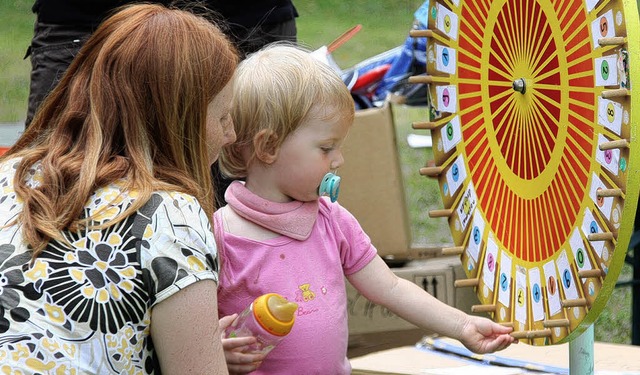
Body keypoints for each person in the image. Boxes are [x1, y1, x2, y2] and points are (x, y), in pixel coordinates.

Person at [214, 44, 517, 375]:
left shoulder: (332, 220)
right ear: (268, 146)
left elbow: (390, 288)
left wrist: (461, 326)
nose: (339, 160)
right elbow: (189, 334)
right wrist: (215, 353)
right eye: (326, 148)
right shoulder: (220, 238)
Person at [0, 3, 238, 374]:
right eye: (222, 117)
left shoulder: (11, 172)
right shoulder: (170, 216)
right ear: (175, 119)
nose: (232, 134)